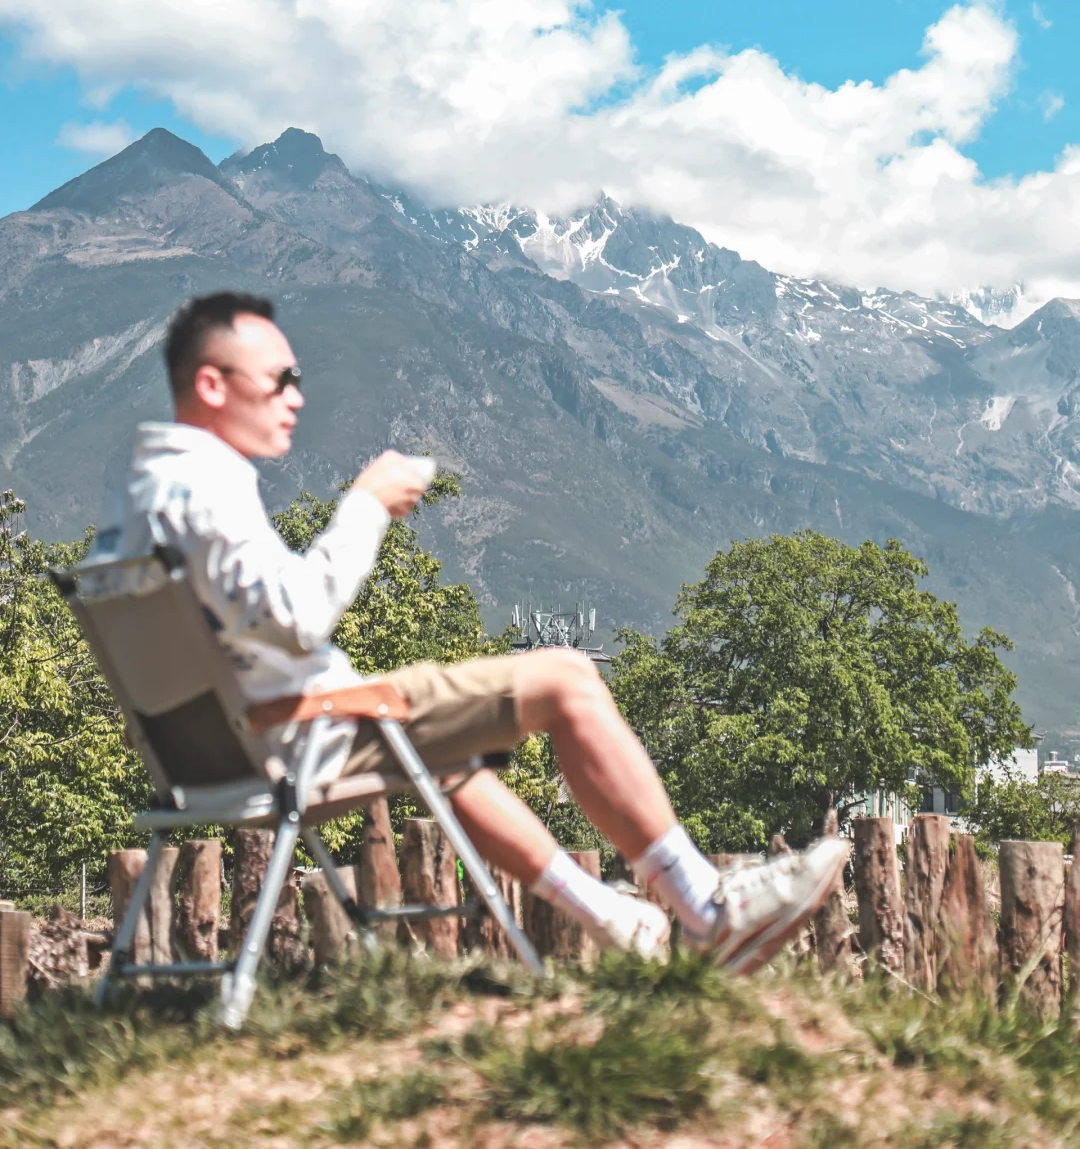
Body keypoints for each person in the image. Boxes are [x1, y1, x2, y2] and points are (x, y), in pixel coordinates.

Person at [90, 290, 845, 969]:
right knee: (568, 676)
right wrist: (366, 506)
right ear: (213, 384)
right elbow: (295, 617)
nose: (297, 396)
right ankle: (710, 910)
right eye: (280, 378)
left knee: (453, 758)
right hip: (304, 737)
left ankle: (617, 921)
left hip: (223, 757)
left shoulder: (144, 491)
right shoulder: (205, 486)